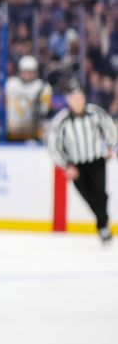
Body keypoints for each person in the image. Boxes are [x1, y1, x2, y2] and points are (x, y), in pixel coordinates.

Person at [46, 78, 115, 245]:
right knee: (90, 198)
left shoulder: (95, 113)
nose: (78, 101)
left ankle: (103, 228)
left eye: (80, 97)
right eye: (74, 98)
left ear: (84, 98)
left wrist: (111, 147)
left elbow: (110, 128)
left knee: (100, 194)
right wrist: (66, 165)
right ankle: (104, 222)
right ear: (69, 99)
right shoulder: (61, 120)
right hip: (76, 166)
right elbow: (53, 146)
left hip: (96, 161)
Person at [5, 55, 52, 142]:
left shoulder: (42, 87)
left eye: (30, 72)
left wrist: (37, 108)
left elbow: (44, 110)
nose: (27, 75)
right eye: (25, 71)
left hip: (33, 133)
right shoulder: (11, 84)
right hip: (12, 132)